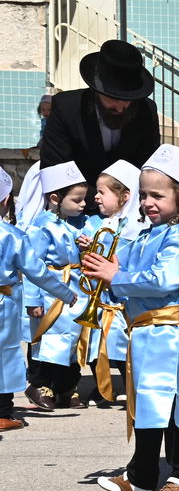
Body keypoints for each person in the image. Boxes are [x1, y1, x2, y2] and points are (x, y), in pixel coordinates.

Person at [83, 144, 179, 491]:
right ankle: (142, 474)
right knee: (147, 404)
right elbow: (124, 279)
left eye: (157, 195)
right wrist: (102, 269)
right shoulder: (144, 235)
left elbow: (161, 279)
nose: (147, 202)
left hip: (175, 333)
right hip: (146, 332)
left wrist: (117, 275)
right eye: (143, 195)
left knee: (177, 405)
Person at [40, 40, 161, 214]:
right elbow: (55, 168)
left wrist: (121, 204)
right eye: (113, 97)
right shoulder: (67, 107)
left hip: (129, 211)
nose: (120, 107)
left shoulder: (146, 111)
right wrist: (101, 201)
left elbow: (148, 168)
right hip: (76, 212)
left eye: (127, 99)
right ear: (97, 89)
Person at [0, 167, 79, 432]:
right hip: (6, 302)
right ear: (5, 200)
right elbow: (37, 272)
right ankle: (3, 410)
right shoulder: (13, 235)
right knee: (7, 354)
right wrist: (66, 294)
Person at [22, 161, 90, 411]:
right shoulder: (42, 226)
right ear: (55, 198)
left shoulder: (76, 224)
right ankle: (40, 384)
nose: (83, 204)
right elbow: (32, 264)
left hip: (73, 288)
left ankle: (65, 387)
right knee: (48, 339)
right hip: (50, 291)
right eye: (77, 199)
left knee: (71, 339)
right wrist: (33, 300)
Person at [75, 159, 143, 406]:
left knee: (122, 343)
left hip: (120, 301)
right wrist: (87, 249)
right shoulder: (100, 224)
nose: (96, 197)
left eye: (102, 192)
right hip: (99, 299)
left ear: (125, 196)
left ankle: (128, 384)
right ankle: (102, 387)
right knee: (96, 343)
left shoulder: (136, 229)